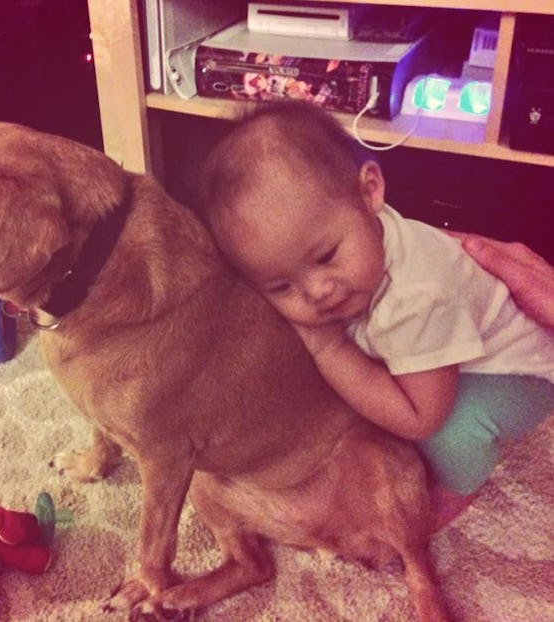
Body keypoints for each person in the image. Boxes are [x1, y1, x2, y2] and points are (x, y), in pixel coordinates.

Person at [197, 100, 554, 530]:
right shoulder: (359, 249)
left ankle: (460, 488)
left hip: (516, 372)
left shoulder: (417, 298)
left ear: (370, 191)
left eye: (326, 256)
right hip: (440, 345)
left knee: (449, 431)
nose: (317, 291)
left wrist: (328, 347)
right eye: (281, 286)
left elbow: (420, 416)